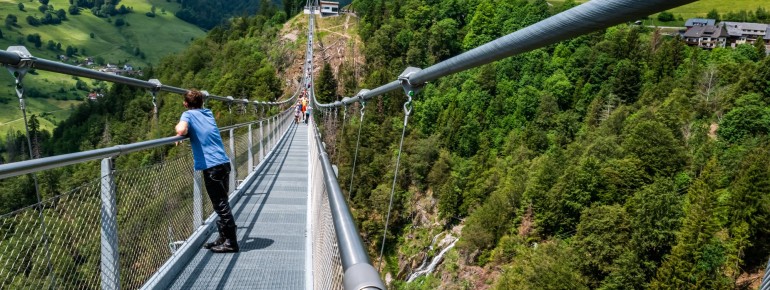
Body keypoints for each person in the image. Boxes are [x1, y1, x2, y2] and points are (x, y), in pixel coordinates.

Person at [175, 90, 239, 253]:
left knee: (221, 205)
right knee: (221, 202)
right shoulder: (208, 113)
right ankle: (223, 238)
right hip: (224, 163)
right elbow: (202, 130)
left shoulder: (188, 114)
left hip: (212, 167)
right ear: (202, 102)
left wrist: (178, 131)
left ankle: (231, 243)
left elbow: (182, 129)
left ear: (186, 104)